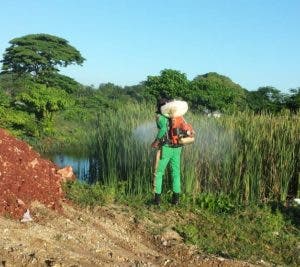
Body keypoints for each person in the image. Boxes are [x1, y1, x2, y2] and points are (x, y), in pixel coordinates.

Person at [151, 98, 183, 205]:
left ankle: (157, 200)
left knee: (159, 172)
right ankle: (176, 200)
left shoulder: (160, 117)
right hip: (177, 147)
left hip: (165, 148)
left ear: (159, 107)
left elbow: (163, 129)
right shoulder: (177, 116)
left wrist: (156, 141)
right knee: (175, 173)